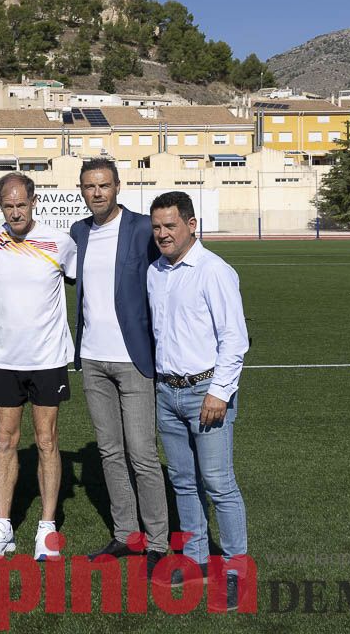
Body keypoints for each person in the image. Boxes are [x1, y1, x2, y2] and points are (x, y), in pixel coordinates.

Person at [147, 191, 250, 610]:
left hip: (205, 393)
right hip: (166, 391)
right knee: (183, 483)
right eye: (156, 228)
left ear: (192, 224)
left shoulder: (214, 271)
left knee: (219, 483)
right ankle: (194, 560)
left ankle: (234, 571)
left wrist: (218, 393)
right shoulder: (155, 271)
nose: (162, 234)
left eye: (170, 225)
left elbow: (235, 340)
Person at [69, 157, 169, 573]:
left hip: (134, 360)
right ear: (82, 190)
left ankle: (158, 542)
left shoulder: (143, 228)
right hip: (93, 360)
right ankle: (127, 534)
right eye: (90, 187)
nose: (97, 193)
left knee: (142, 454)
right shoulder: (78, 232)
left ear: (118, 187)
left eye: (104, 186)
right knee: (110, 452)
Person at [0, 173, 77, 561]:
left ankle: (47, 527)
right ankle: (3, 526)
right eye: (8, 205)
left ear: (34, 201)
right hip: (5, 359)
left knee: (47, 440)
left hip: (48, 359)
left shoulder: (60, 243)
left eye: (21, 204)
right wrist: (3, 307)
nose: (15, 212)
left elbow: (80, 283)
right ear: (0, 205)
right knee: (4, 440)